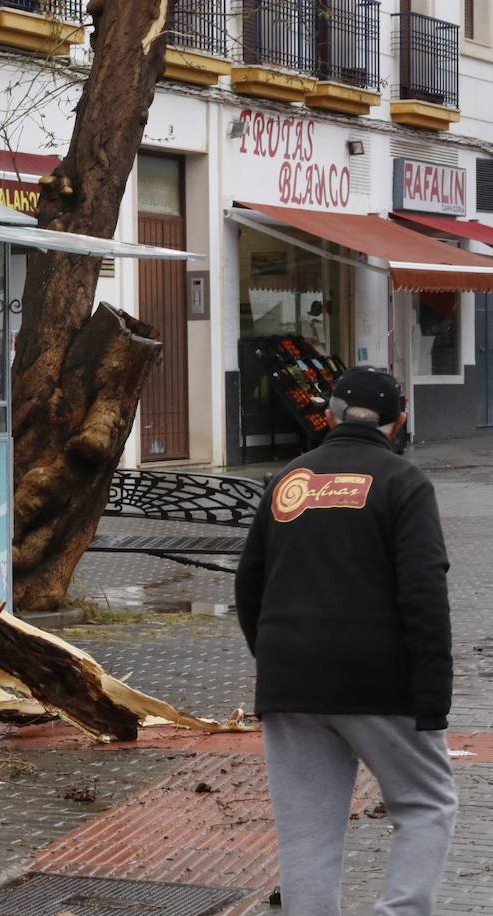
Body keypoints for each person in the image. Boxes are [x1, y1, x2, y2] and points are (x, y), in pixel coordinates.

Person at [235, 366, 456, 916]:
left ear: (328, 415)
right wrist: (433, 698)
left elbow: (249, 585)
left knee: (307, 829)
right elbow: (424, 593)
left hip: (290, 681)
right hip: (379, 681)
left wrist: (278, 662)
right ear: (398, 420)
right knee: (426, 801)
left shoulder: (287, 480)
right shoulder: (404, 483)